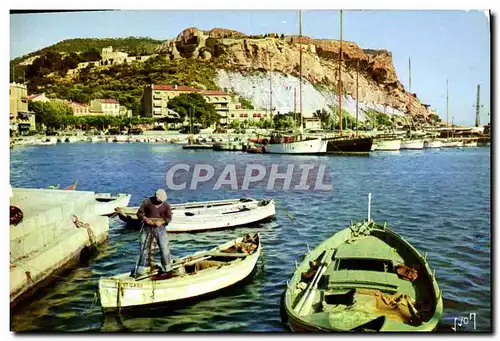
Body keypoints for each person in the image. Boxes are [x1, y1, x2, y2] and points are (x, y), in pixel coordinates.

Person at [132, 189, 173, 278]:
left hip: (160, 228)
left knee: (164, 248)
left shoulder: (166, 205)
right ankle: (140, 270)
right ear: (156, 197)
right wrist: (146, 219)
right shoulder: (147, 202)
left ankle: (167, 269)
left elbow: (169, 217)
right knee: (143, 249)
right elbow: (139, 213)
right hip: (147, 227)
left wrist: (161, 222)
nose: (162, 201)